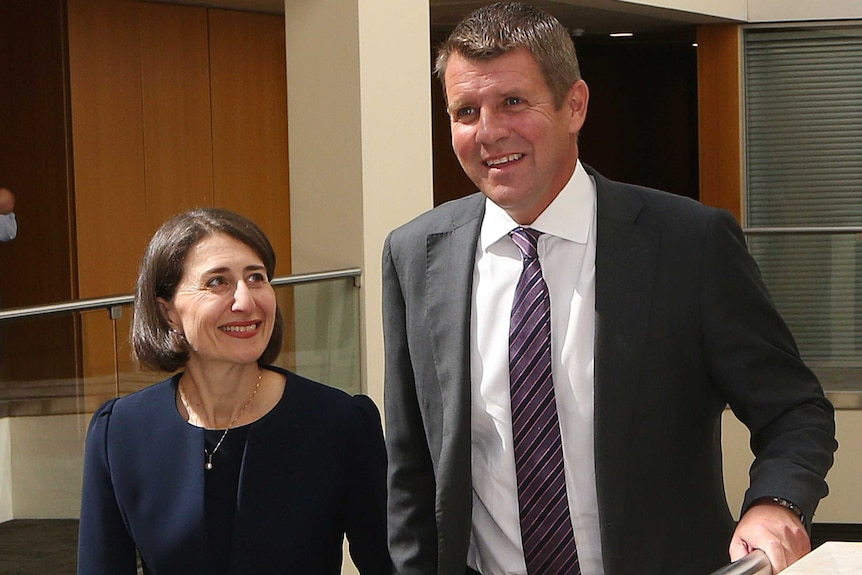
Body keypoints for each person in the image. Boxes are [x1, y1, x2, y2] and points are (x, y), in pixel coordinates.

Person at [381, 3, 837, 575]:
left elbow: (795, 409)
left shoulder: (687, 243)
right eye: (465, 111)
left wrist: (774, 504)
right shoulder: (415, 254)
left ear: (575, 104)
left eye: (513, 103)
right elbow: (411, 465)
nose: (489, 132)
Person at [78, 207, 391, 574]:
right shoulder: (120, 431)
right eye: (217, 282)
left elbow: (390, 563)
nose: (246, 301)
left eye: (256, 278)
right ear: (168, 312)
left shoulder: (340, 423)